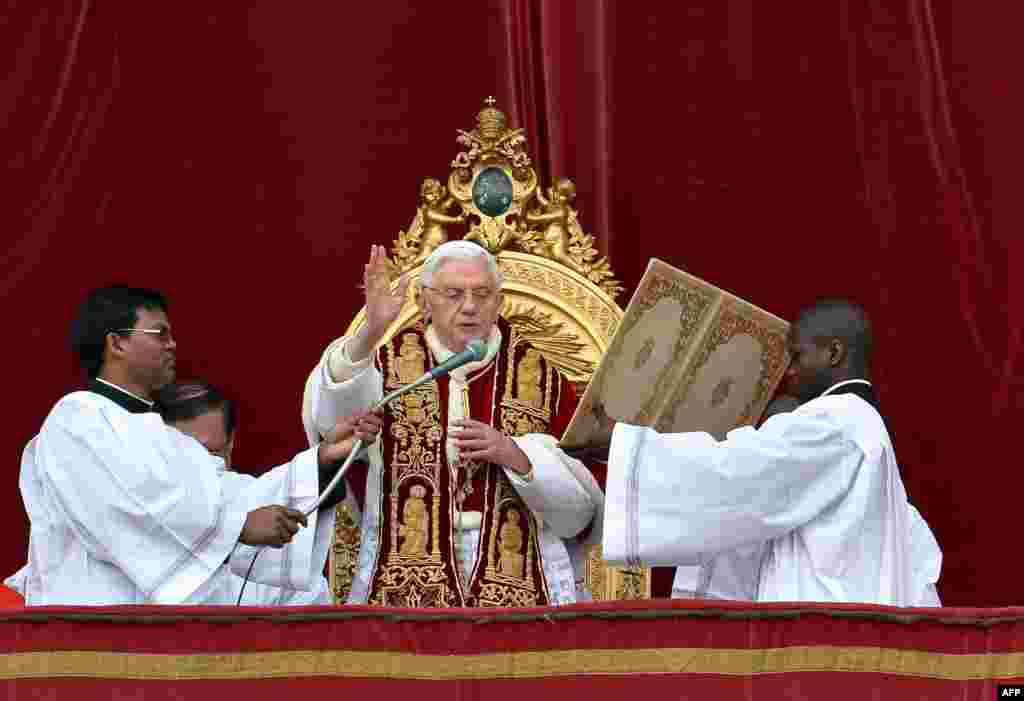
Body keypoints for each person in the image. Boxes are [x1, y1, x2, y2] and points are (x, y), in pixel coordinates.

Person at [14, 285, 379, 605]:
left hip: (151, 642)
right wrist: (236, 527)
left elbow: (225, 495)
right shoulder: (77, 419)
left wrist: (322, 460)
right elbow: (133, 507)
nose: (172, 344)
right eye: (159, 333)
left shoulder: (164, 437)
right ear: (117, 343)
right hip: (89, 637)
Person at [304, 242, 603, 607]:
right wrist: (371, 330)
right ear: (425, 302)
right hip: (403, 576)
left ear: (499, 302)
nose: (470, 306)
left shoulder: (544, 382)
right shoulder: (384, 368)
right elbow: (331, 428)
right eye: (453, 294)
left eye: (482, 294)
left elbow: (579, 517)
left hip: (518, 580)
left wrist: (518, 457)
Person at [602, 299, 942, 606]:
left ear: (834, 353)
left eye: (796, 355)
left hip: (820, 633)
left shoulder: (835, 420)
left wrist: (624, 448)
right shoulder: (863, 426)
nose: (789, 370)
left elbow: (737, 477)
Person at [157, 380, 332, 604]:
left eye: (211, 456)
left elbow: (307, 612)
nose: (202, 472)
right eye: (185, 459)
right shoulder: (134, 515)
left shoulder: (266, 502)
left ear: (230, 444)